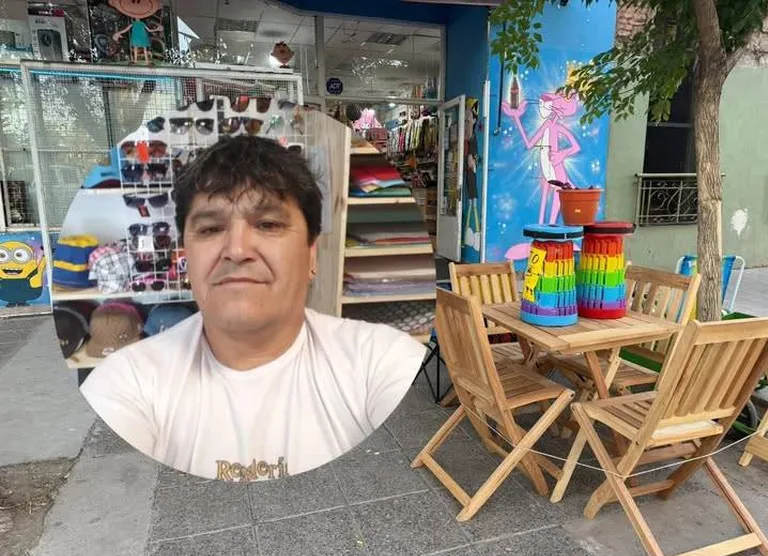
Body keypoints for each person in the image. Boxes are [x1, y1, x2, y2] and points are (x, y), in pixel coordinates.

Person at [80, 136, 428, 481]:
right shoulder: (126, 383)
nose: (237, 250)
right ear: (186, 257)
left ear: (311, 255)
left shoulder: (381, 359)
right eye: (211, 228)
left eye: (268, 224)